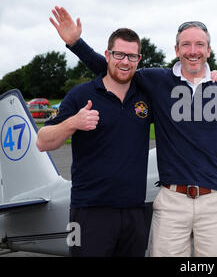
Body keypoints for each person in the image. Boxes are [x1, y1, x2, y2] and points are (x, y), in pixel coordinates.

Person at [53, 6, 217, 257]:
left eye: (199, 45)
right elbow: (117, 68)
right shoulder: (156, 81)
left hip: (215, 201)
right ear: (177, 50)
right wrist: (76, 44)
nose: (193, 51)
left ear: (209, 51)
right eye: (186, 45)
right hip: (171, 202)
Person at [36, 28, 154, 257]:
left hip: (135, 212)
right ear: (107, 55)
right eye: (119, 54)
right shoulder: (81, 95)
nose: (125, 61)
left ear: (139, 60)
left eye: (131, 56)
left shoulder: (145, 97)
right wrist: (73, 122)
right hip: (88, 212)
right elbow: (42, 141)